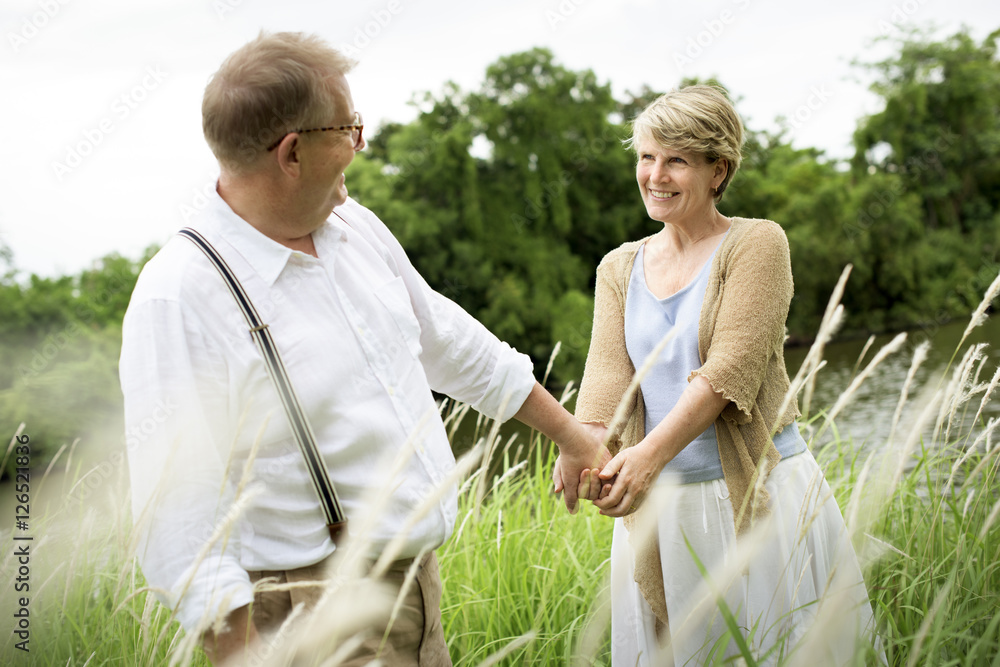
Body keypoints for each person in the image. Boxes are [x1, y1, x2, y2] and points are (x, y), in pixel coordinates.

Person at [120, 31, 608, 666]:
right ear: (292, 152)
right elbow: (175, 521)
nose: (360, 144)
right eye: (349, 129)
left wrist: (573, 435)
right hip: (307, 623)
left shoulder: (354, 227)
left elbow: (447, 339)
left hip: (415, 593)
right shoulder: (179, 294)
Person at [566, 85, 882, 665]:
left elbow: (726, 373)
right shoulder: (619, 265)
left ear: (719, 170)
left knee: (772, 648)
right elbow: (609, 370)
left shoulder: (757, 243)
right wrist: (578, 445)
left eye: (677, 160)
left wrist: (645, 456)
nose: (655, 174)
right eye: (645, 156)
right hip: (659, 502)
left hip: (753, 496)